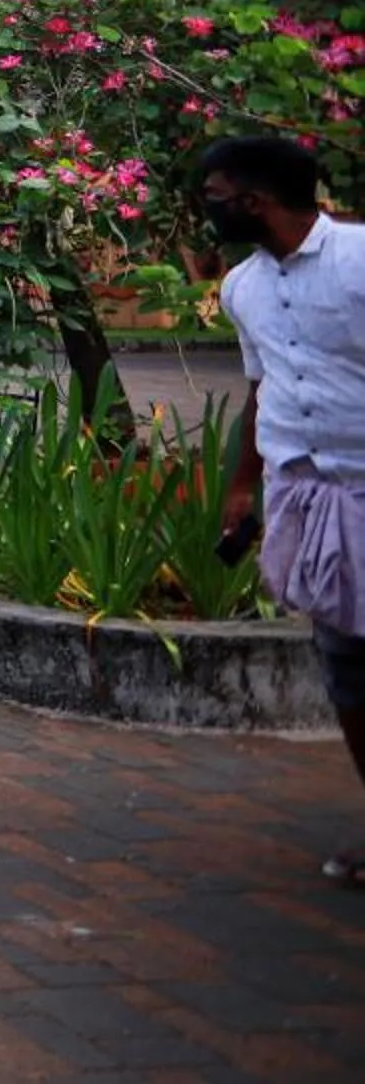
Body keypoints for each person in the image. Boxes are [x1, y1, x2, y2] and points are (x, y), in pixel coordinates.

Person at [205, 134, 365, 882]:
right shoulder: (243, 286)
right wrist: (243, 486)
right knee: (346, 665)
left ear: (255, 199)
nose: (208, 210)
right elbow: (261, 389)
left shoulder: (359, 260)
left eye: (215, 196)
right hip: (311, 493)